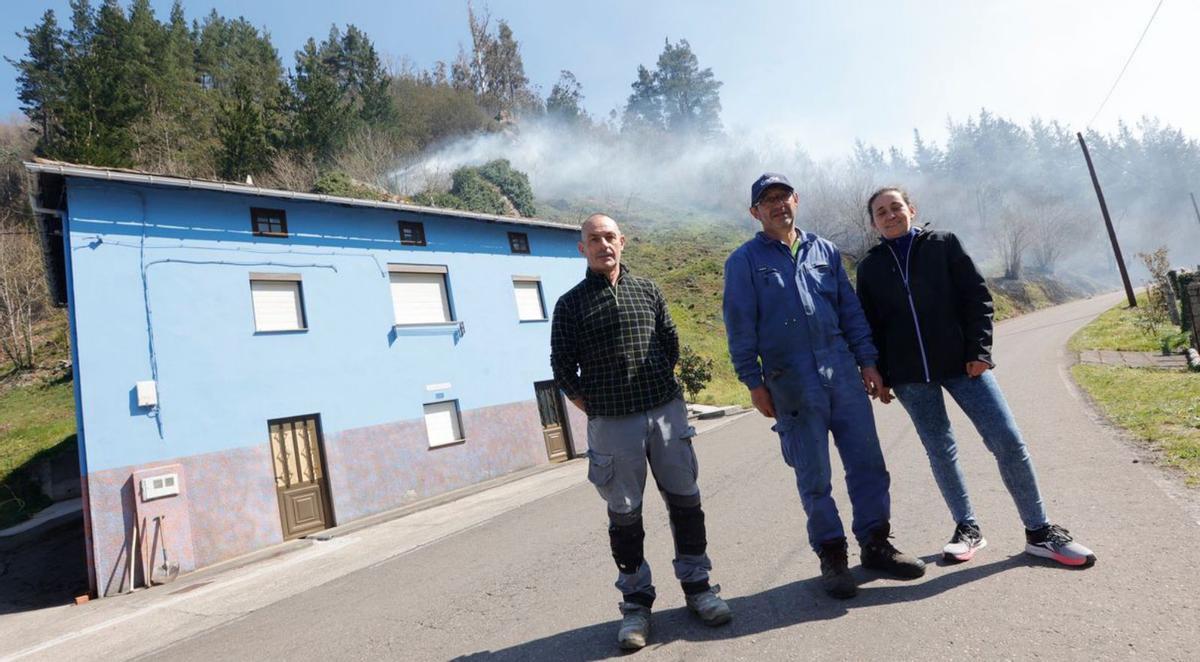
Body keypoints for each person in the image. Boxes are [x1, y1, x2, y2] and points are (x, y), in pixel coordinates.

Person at [855, 186, 1096, 567]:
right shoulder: (869, 267)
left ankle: (1039, 531)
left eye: (895, 207)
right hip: (909, 378)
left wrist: (979, 351)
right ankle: (967, 528)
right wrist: (880, 374)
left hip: (964, 366)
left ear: (911, 209)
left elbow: (977, 298)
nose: (889, 215)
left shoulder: (943, 244)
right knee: (941, 451)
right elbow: (869, 324)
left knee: (1007, 440)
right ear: (873, 223)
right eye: (880, 211)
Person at [722, 173, 925, 600]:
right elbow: (740, 327)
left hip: (842, 375)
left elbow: (850, 312)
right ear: (754, 212)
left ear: (797, 200)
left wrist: (867, 361)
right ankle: (832, 556)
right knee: (815, 477)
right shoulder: (743, 262)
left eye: (784, 197)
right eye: (768, 201)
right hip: (790, 383)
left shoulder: (825, 251)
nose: (778, 206)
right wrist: (753, 383)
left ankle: (876, 545)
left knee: (869, 464)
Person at [551, 213, 732, 650]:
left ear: (622, 242)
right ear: (582, 248)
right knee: (625, 514)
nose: (602, 244)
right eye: (593, 239)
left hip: (664, 412)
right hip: (612, 423)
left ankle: (699, 588)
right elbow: (561, 366)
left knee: (686, 501)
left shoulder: (647, 289)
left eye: (609, 237)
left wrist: (655, 388)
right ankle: (635, 604)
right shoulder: (570, 303)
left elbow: (669, 341)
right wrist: (591, 403)